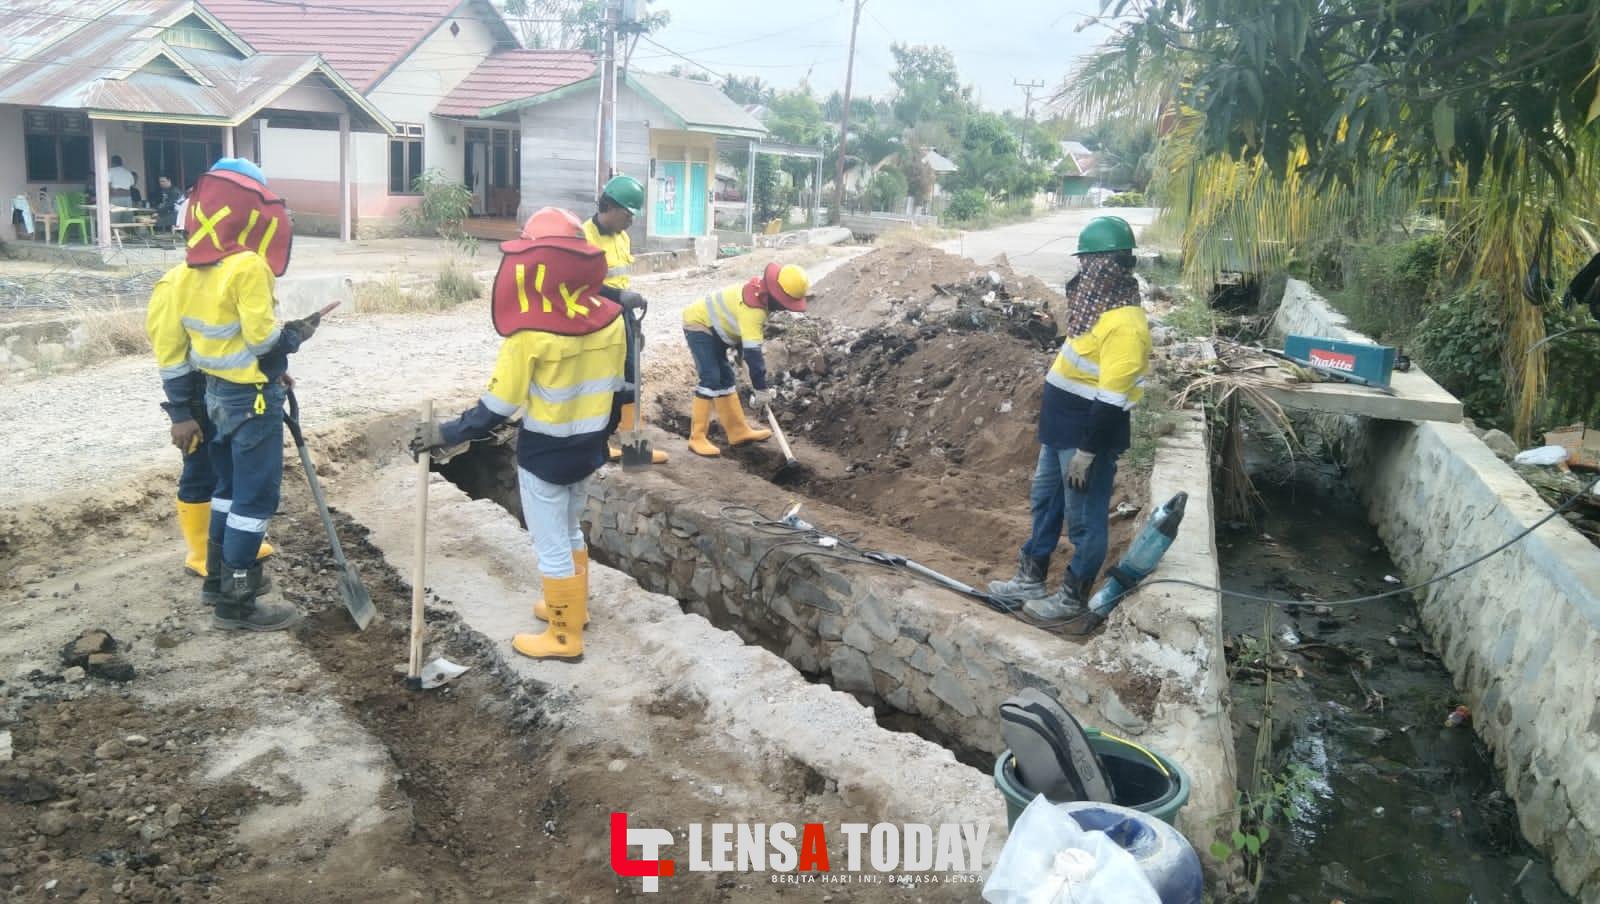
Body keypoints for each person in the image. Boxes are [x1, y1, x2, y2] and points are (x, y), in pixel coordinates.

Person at [410, 208, 635, 661]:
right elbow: (619, 389)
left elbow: (496, 408)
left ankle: (563, 637)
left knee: (550, 543)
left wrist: (445, 432)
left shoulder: (530, 332)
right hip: (589, 448)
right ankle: (572, 609)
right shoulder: (613, 317)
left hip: (545, 454)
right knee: (570, 530)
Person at [145, 158, 321, 632]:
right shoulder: (247, 265)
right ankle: (237, 604)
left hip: (221, 397)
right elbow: (261, 339)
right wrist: (295, 337)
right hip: (251, 401)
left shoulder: (188, 272)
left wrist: (270, 369)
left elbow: (223, 346)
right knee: (255, 499)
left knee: (225, 492)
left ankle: (218, 581)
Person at [988, 216, 1151, 613]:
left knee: (1083, 519)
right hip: (1061, 431)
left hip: (1085, 438)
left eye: (1089, 263)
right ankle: (1030, 579)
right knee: (1046, 503)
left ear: (1107, 264)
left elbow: (1112, 400)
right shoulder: (1099, 311)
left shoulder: (1126, 325)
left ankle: (1071, 598)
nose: (1082, 271)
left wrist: (1087, 453)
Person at [680, 263, 809, 457]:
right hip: (699, 324)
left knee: (726, 378)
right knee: (711, 377)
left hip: (717, 332)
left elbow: (742, 338)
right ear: (775, 296)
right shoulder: (754, 310)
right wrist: (761, 389)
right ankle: (697, 438)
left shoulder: (759, 294)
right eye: (784, 303)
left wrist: (741, 355)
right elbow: (753, 354)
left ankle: (737, 431)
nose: (783, 308)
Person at [585, 174, 668, 464]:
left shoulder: (623, 238)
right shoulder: (584, 238)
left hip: (622, 317)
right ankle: (599, 445)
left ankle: (636, 453)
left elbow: (619, 280)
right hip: (596, 323)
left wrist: (630, 315)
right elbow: (580, 284)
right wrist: (618, 298)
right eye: (628, 214)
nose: (631, 220)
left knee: (633, 377)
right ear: (611, 207)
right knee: (605, 383)